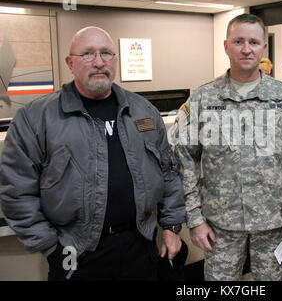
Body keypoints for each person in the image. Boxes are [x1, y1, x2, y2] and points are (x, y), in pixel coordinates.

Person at [0, 26, 186, 281]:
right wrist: (51, 248)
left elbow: (168, 173)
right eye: (87, 54)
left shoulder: (143, 112)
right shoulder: (36, 119)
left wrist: (172, 227)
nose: (99, 62)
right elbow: (16, 191)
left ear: (116, 60)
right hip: (76, 253)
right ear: (70, 63)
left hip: (140, 247)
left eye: (106, 53)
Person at [172, 13, 282, 281]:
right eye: (238, 41)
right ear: (226, 46)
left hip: (276, 223)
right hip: (220, 225)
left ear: (264, 47)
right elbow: (184, 160)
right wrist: (194, 218)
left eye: (253, 41)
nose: (246, 48)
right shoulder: (204, 98)